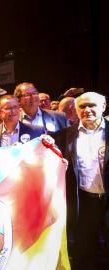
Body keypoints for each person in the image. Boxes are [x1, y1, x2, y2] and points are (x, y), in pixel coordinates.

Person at [53, 92, 108, 269]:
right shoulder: (62, 136)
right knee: (85, 254)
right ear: (76, 110)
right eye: (82, 106)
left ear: (103, 107)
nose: (87, 110)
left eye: (92, 105)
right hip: (83, 204)